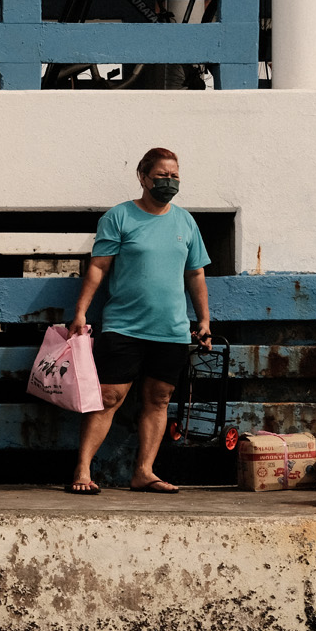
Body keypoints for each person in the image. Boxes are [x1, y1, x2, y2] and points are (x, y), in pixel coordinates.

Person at [66, 147, 212, 495]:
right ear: (143, 177)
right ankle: (83, 469)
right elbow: (99, 267)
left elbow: (196, 275)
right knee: (110, 396)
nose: (169, 182)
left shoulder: (185, 222)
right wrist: (80, 312)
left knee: (158, 400)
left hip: (172, 330)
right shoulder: (119, 217)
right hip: (124, 327)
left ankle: (144, 472)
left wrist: (204, 319)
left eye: (174, 175)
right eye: (162, 175)